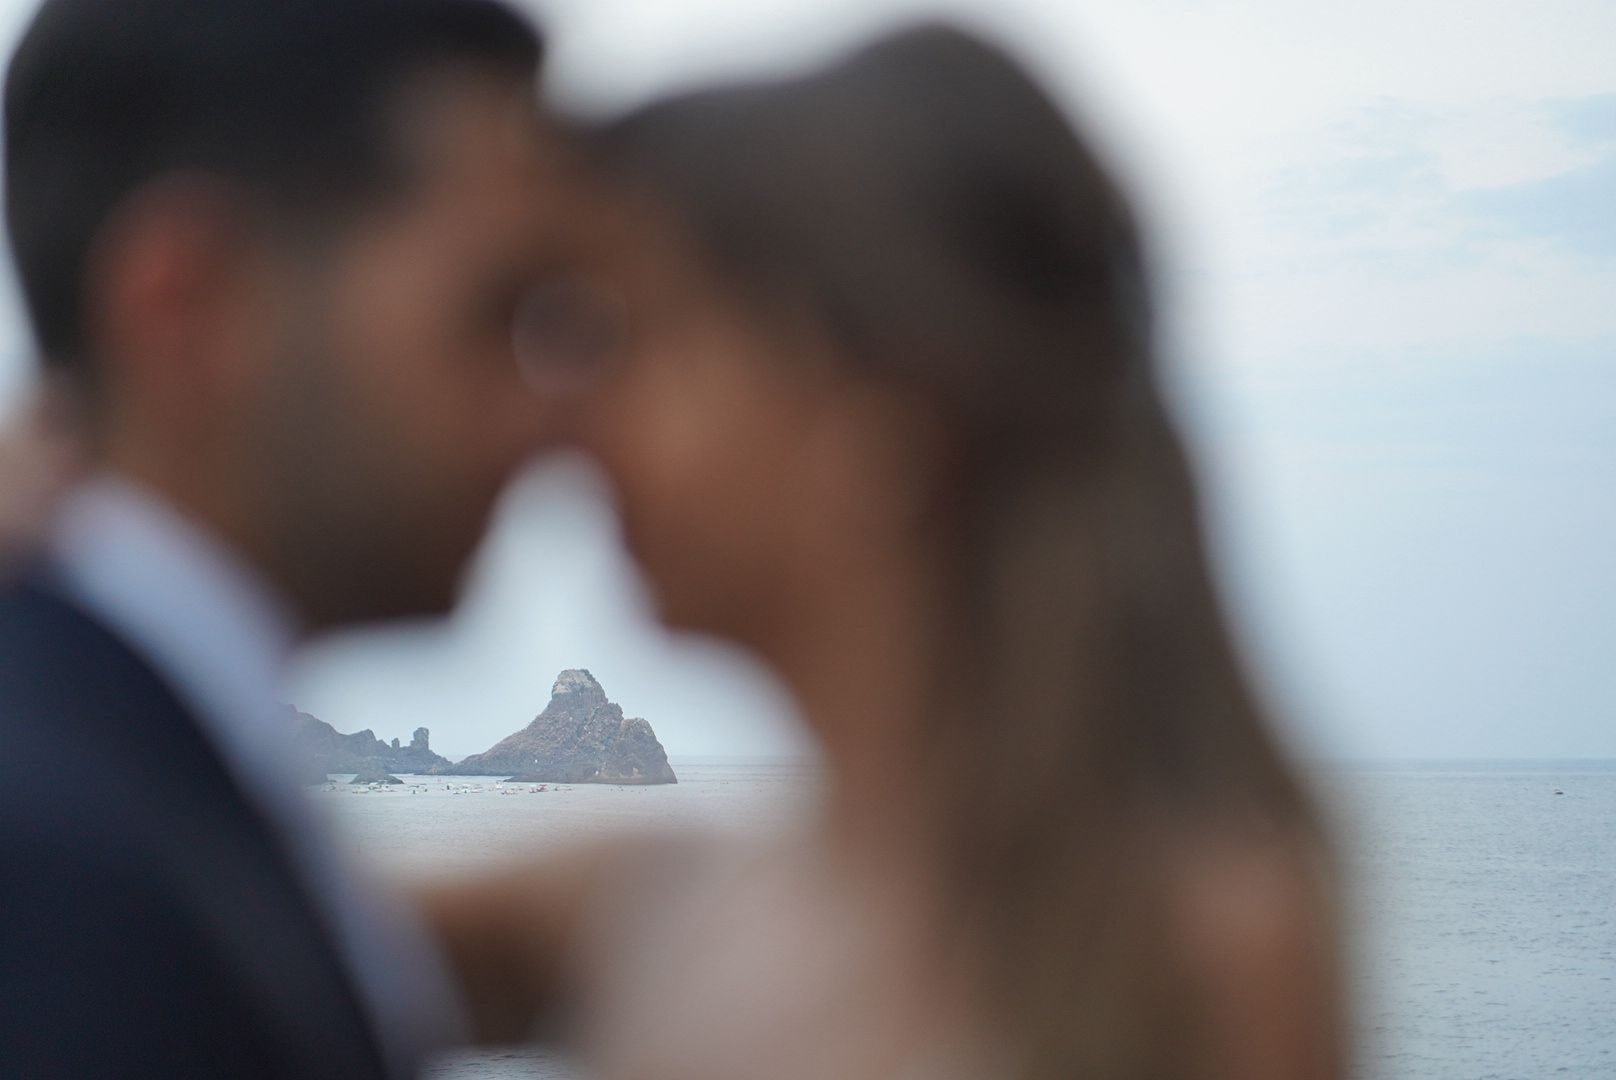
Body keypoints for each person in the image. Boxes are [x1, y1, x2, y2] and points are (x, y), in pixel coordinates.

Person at [428, 23, 1344, 1080]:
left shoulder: (1194, 959)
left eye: (630, 339)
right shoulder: (637, 904)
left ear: (873, 435)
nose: (562, 419)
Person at [0, 1, 556, 1076]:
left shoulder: (149, 784)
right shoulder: (62, 868)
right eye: (494, 314)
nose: (549, 413)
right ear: (187, 306)